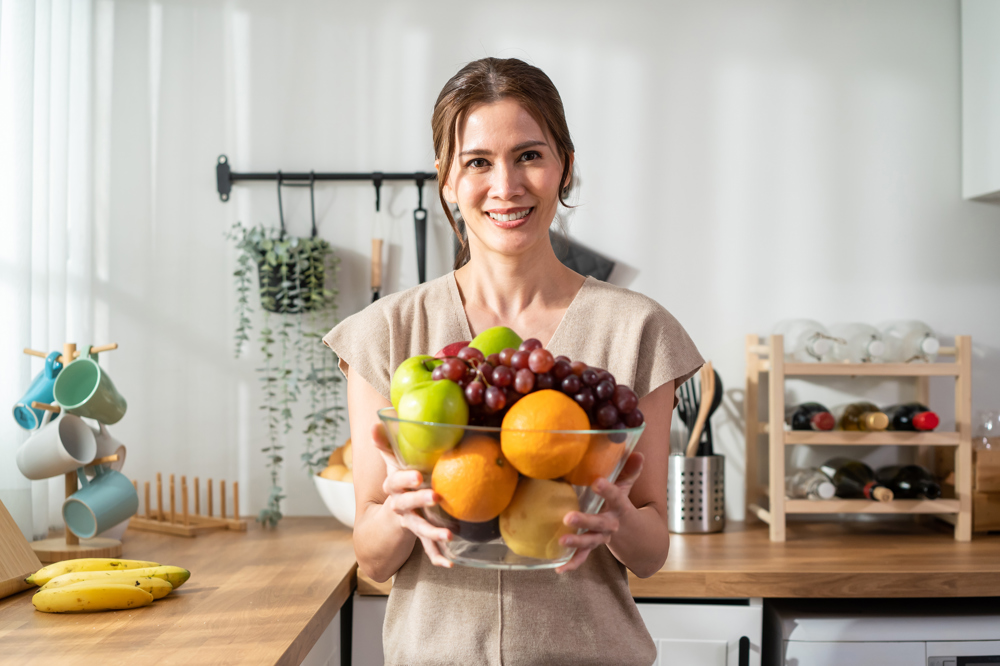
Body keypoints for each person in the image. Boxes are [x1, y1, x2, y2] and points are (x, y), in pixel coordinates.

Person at [324, 57, 702, 666]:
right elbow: (373, 561)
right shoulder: (387, 331)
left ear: (565, 167)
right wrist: (398, 514)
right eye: (477, 162)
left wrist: (618, 520)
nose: (506, 185)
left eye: (529, 155)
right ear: (447, 179)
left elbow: (651, 553)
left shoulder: (638, 329)